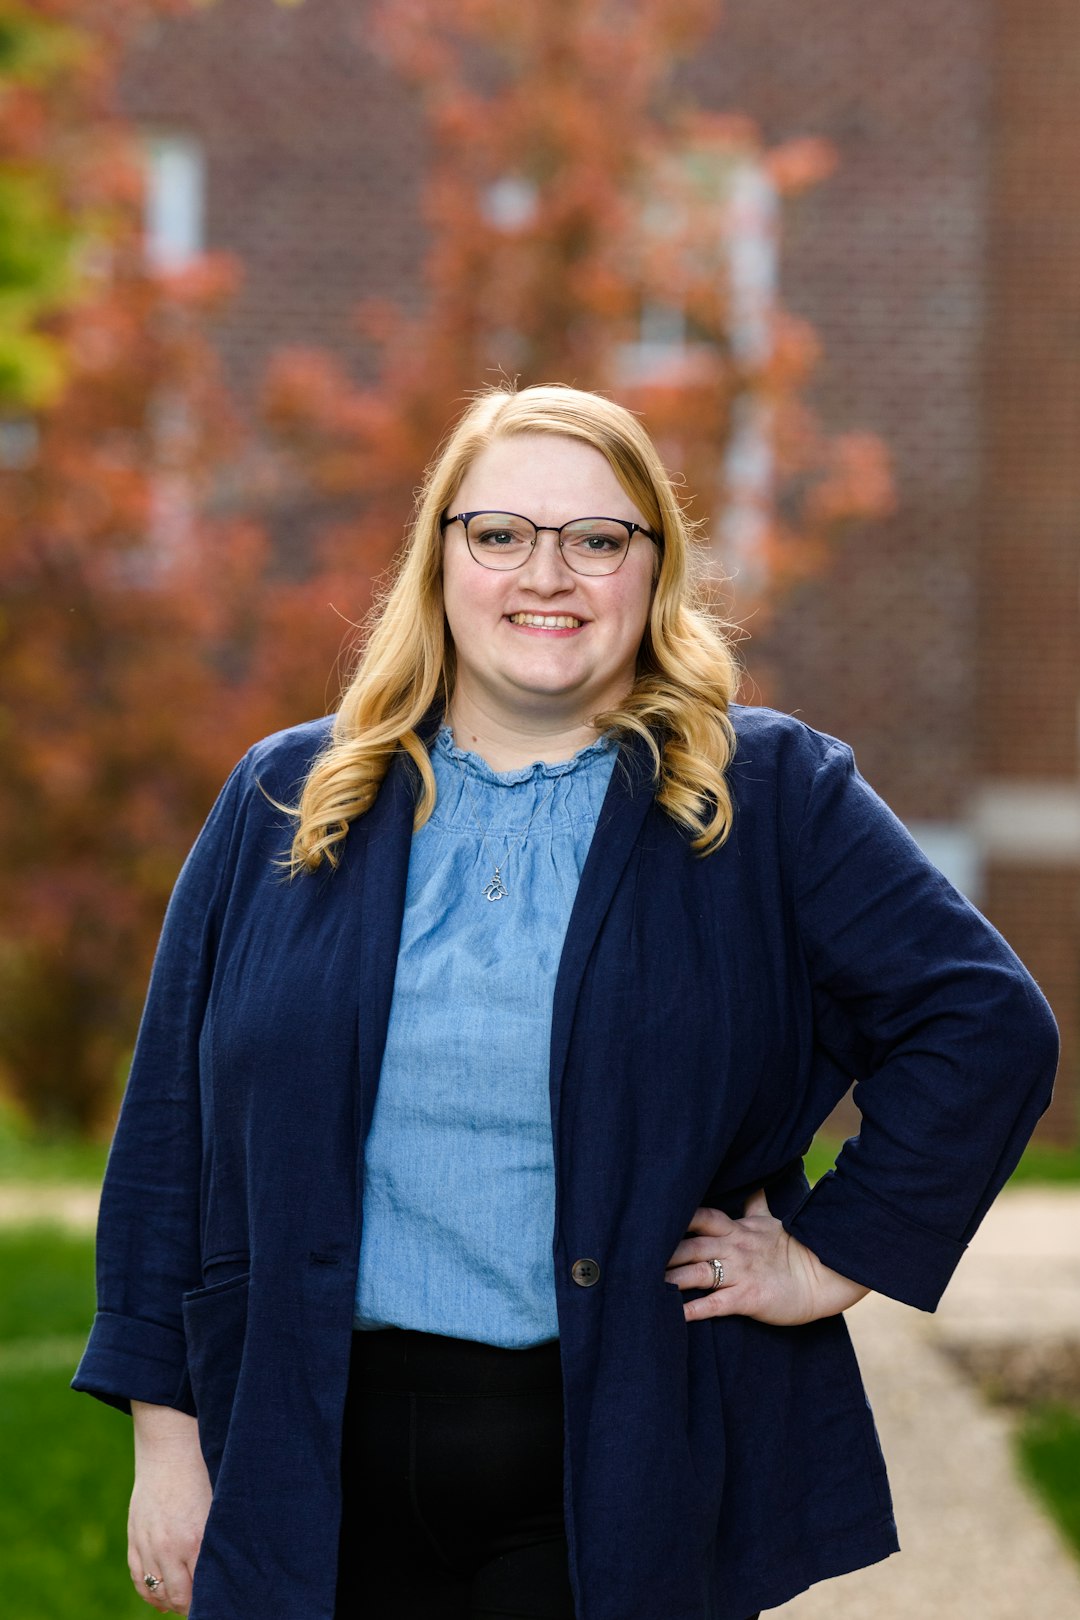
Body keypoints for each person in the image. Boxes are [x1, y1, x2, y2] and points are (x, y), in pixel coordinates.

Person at [73, 383, 1058, 1620]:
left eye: (598, 540)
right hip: (306, 1457)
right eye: (501, 535)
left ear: (653, 573)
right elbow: (169, 1134)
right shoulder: (289, 793)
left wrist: (829, 1258)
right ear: (441, 559)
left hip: (623, 1460)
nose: (550, 574)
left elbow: (982, 1025)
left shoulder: (769, 798)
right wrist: (168, 1445)